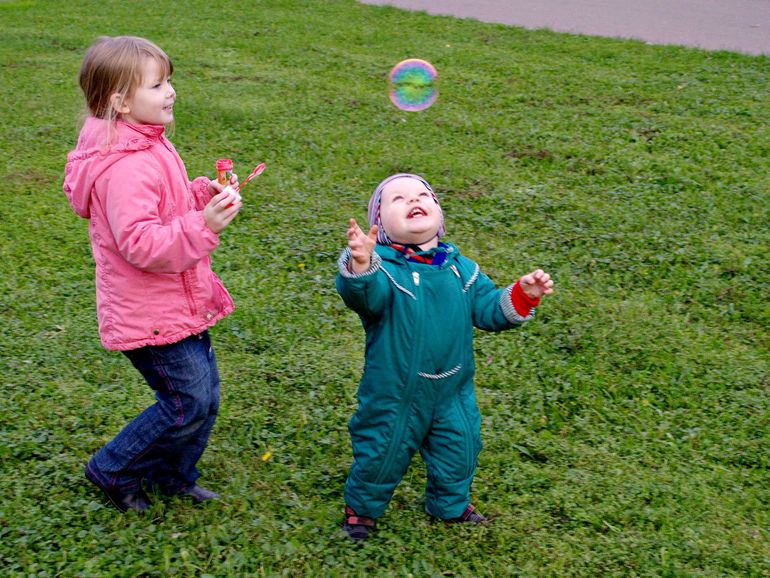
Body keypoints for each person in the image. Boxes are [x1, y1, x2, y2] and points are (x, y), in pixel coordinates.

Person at [63, 36, 242, 512]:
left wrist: (202, 196)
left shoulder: (148, 142)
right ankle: (113, 468)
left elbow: (168, 204)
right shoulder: (124, 167)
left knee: (204, 397)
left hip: (177, 300)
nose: (171, 92)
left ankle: (173, 475)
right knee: (186, 402)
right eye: (158, 84)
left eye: (170, 80)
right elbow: (140, 242)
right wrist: (203, 227)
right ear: (119, 101)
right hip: (151, 312)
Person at [336, 173, 553, 540]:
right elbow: (365, 298)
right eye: (398, 199)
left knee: (460, 447)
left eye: (423, 195)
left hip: (452, 390)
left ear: (439, 213)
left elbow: (487, 309)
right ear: (380, 224)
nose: (413, 200)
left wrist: (523, 295)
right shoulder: (383, 270)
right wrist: (361, 265)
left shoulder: (461, 269)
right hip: (395, 394)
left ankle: (449, 505)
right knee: (381, 452)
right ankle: (362, 511)